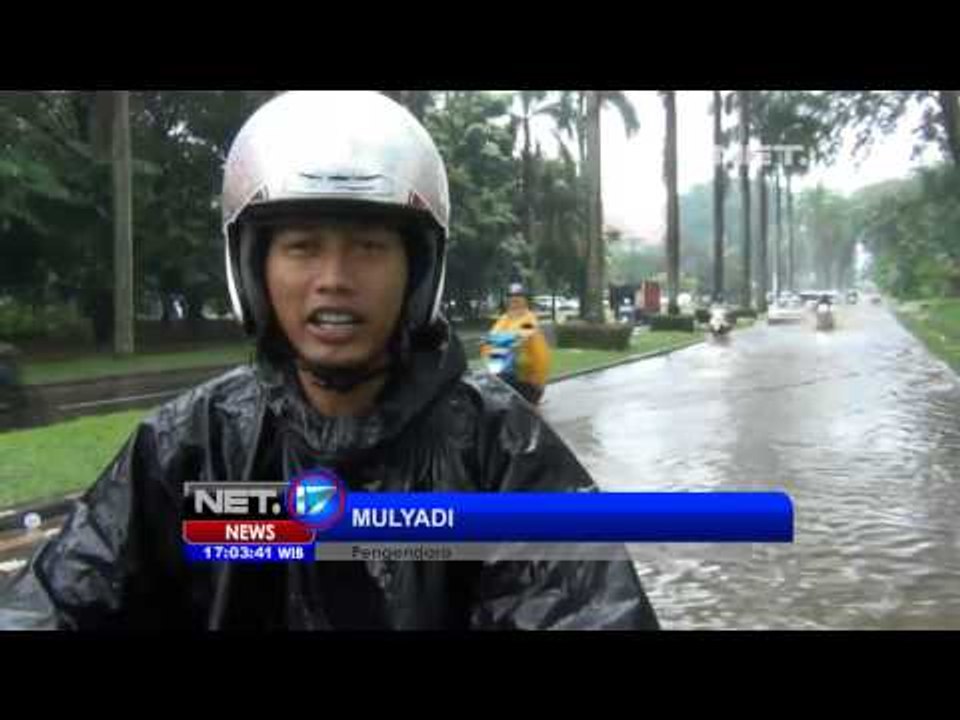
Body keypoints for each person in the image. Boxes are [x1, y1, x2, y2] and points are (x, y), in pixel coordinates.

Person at [0, 91, 658, 630]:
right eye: (303, 247)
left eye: (368, 246)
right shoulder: (190, 447)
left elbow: (585, 607)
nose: (334, 279)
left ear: (417, 270)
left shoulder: (503, 453)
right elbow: (62, 597)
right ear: (254, 268)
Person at [480, 283, 551, 406]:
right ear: (507, 301)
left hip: (529, 384)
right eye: (511, 298)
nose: (514, 302)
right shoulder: (504, 319)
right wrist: (491, 342)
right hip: (508, 378)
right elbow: (489, 342)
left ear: (525, 301)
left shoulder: (530, 320)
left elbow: (517, 339)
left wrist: (493, 340)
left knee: (507, 351)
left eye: (518, 298)